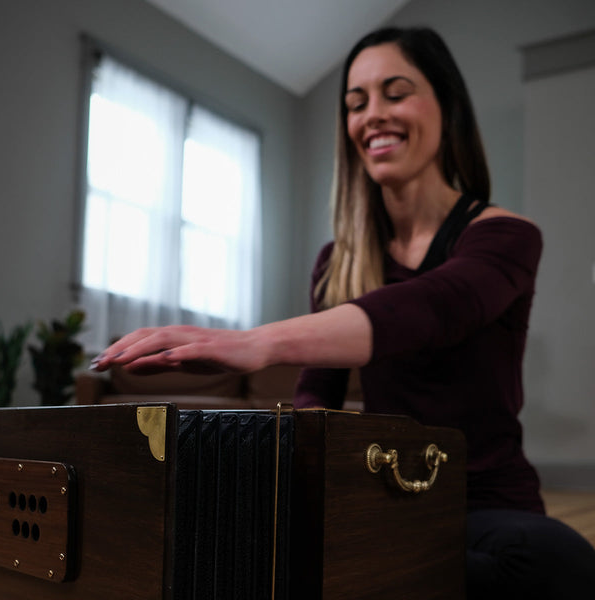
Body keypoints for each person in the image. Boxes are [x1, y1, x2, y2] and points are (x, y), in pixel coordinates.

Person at [92, 26, 595, 599]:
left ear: (446, 105)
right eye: (356, 104)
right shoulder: (337, 262)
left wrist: (261, 342)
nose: (372, 115)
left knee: (561, 562)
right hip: (389, 502)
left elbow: (434, 307)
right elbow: (316, 402)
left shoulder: (506, 236)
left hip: (486, 506)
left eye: (395, 92)